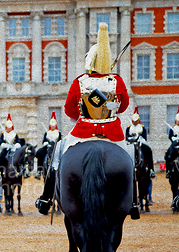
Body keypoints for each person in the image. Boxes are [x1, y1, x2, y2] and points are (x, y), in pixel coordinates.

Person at [36, 23, 133, 215]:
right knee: (130, 159)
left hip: (83, 132)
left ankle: (46, 198)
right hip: (113, 134)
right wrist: (110, 107)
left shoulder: (80, 82)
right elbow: (124, 106)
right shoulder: (117, 81)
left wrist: (83, 114)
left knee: (57, 156)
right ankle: (135, 203)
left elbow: (70, 110)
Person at [125, 106, 155, 178]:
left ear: (138, 120)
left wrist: (139, 135)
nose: (135, 122)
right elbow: (126, 137)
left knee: (148, 150)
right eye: (133, 120)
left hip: (140, 143)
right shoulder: (129, 128)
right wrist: (132, 136)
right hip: (131, 144)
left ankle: (151, 169)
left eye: (136, 120)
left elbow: (145, 138)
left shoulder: (142, 127)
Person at [35, 111, 62, 179]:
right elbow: (44, 141)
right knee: (39, 153)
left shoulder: (58, 133)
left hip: (56, 147)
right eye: (51, 125)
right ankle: (39, 170)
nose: (52, 126)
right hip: (48, 147)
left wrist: (56, 143)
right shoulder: (47, 133)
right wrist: (46, 143)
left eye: (53, 125)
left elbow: (60, 140)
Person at [166, 107, 179, 179]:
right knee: (168, 154)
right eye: (178, 120)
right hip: (175, 143)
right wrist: (174, 138)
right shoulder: (173, 128)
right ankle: (168, 171)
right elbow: (170, 136)